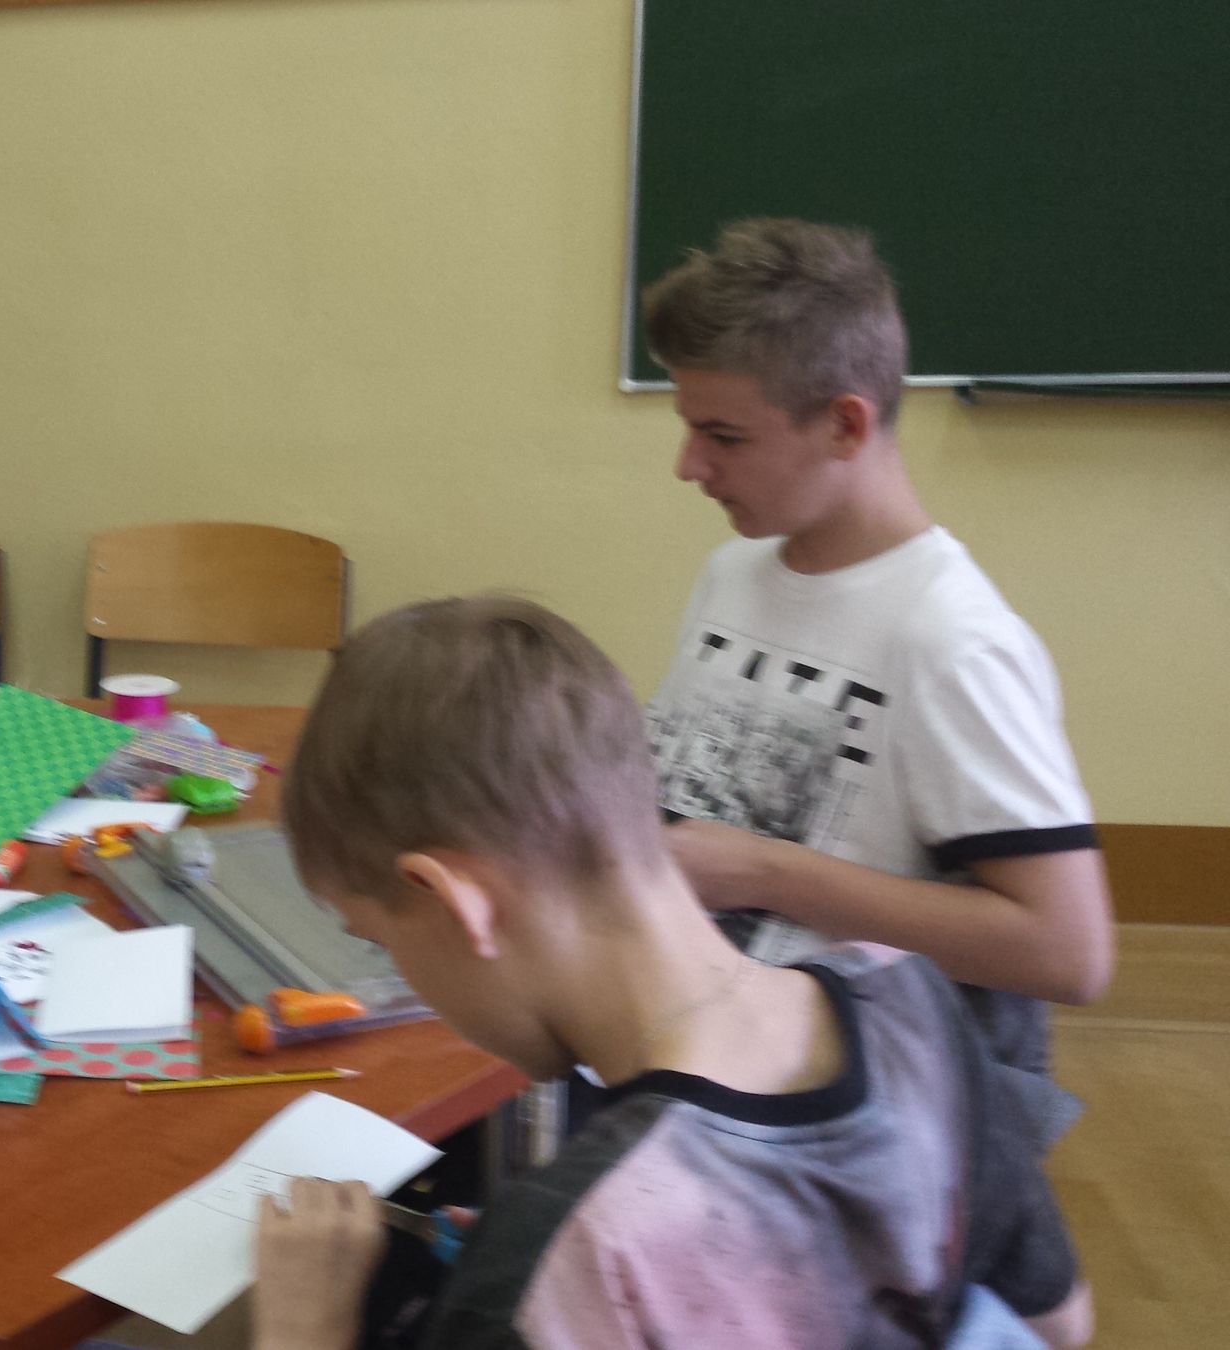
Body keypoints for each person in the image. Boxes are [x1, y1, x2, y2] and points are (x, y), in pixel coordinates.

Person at [255, 596, 1092, 1349]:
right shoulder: (913, 999)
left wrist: (306, 1325)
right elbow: (1057, 1321)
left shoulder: (558, 1260)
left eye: (380, 940)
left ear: (451, 900)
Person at [640, 218, 1110, 1081]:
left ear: (846, 426)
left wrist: (765, 873)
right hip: (695, 1027)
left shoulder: (952, 640)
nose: (688, 465)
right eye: (688, 427)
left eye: (724, 436)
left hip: (843, 1098)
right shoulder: (732, 574)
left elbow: (1068, 952)